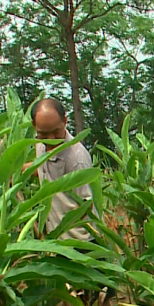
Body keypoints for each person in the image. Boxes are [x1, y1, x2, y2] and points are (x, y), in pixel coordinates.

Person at [30, 98, 96, 242]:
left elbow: (86, 204)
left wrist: (63, 225)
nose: (52, 139)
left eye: (56, 132)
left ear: (65, 121)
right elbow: (46, 169)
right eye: (44, 134)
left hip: (80, 242)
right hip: (57, 241)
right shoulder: (40, 145)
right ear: (34, 126)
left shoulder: (76, 158)